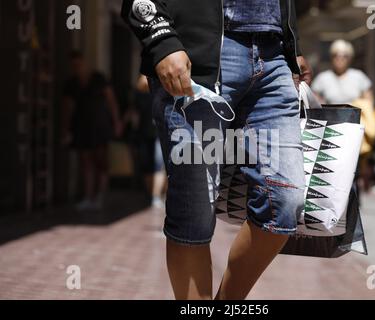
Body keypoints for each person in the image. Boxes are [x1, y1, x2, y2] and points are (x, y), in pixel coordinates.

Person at [122, 0, 312, 300]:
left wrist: (293, 44)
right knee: (194, 211)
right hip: (197, 60)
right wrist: (161, 39)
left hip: (273, 59)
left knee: (285, 199)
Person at [312, 39, 375, 192]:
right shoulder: (323, 78)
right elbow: (314, 102)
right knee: (334, 167)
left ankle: (354, 199)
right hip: (331, 128)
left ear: (350, 57)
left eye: (344, 55)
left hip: (354, 127)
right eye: (336, 55)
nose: (340, 59)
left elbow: (369, 101)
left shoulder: (359, 76)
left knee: (354, 167)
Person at [62, 51, 122, 211]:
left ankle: (100, 196)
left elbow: (111, 101)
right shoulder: (71, 84)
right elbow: (68, 108)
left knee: (101, 160)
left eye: (79, 63)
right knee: (85, 161)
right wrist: (66, 129)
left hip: (100, 125)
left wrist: (116, 122)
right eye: (74, 65)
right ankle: (88, 196)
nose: (77, 67)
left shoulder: (98, 78)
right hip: (81, 126)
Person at [123, 75, 167, 209]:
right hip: (144, 134)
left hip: (159, 133)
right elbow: (133, 114)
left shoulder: (162, 92)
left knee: (158, 165)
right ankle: (152, 195)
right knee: (147, 165)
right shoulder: (140, 96)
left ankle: (155, 196)